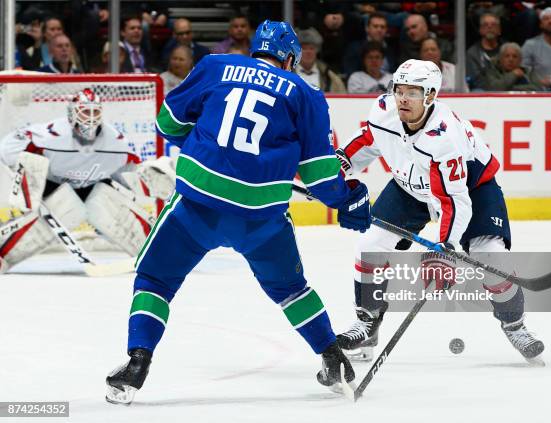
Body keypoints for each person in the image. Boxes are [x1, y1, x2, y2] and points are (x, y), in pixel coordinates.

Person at [105, 20, 372, 405]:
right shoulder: (306, 94)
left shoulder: (215, 66)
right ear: (290, 58)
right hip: (260, 218)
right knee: (291, 290)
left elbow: (167, 124)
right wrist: (348, 200)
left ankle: (137, 363)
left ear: (255, 49)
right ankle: (334, 359)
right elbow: (319, 177)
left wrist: (201, 140)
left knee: (154, 281)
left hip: (197, 205)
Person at [334, 59, 545, 365]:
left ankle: (515, 324)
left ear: (430, 95)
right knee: (370, 246)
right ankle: (368, 324)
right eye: (399, 90)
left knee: (490, 256)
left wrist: (445, 249)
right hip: (411, 187)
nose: (403, 98)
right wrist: (334, 171)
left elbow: (453, 202)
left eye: (413, 92)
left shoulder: (446, 138)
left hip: (472, 189)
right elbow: (368, 141)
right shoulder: (384, 110)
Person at [0, 89, 174, 273]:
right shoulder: (50, 136)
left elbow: (129, 176)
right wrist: (28, 173)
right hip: (53, 188)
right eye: (85, 111)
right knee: (67, 209)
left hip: (93, 188)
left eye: (95, 112)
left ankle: (156, 253)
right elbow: (8, 149)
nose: (90, 117)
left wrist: (153, 178)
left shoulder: (115, 142)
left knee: (102, 203)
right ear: (72, 113)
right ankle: (3, 255)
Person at [521, 7, 551, 89]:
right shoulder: (530, 45)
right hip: (538, 92)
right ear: (541, 24)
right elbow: (523, 71)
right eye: (546, 19)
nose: (550, 21)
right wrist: (539, 82)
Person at [296, 28, 346, 93]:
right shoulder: (287, 74)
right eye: (304, 48)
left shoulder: (330, 77)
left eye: (311, 48)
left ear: (317, 50)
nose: (308, 52)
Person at [466, 13, 503, 90]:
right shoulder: (472, 53)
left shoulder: (507, 50)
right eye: (485, 25)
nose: (489, 27)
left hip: (504, 88)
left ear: (499, 30)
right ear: (480, 30)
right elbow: (475, 80)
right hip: (481, 91)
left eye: (493, 25)